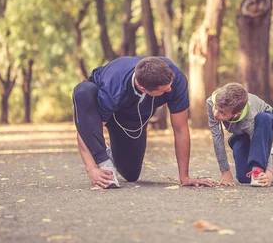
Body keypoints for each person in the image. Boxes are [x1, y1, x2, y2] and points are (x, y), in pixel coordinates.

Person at [72, 56, 214, 189]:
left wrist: (185, 177)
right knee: (83, 91)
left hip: (131, 120)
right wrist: (92, 168)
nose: (170, 90)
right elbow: (85, 129)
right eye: (164, 90)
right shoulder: (114, 87)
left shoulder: (175, 80)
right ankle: (104, 159)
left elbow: (181, 129)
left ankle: (111, 151)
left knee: (131, 174)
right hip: (105, 108)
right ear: (143, 89)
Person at [207, 82, 273, 187]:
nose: (215, 114)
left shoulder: (250, 118)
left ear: (236, 114)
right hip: (241, 133)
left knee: (263, 119)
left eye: (222, 113)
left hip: (265, 124)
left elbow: (263, 141)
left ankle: (265, 162)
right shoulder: (211, 102)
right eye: (216, 107)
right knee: (244, 178)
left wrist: (268, 173)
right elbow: (217, 137)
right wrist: (225, 171)